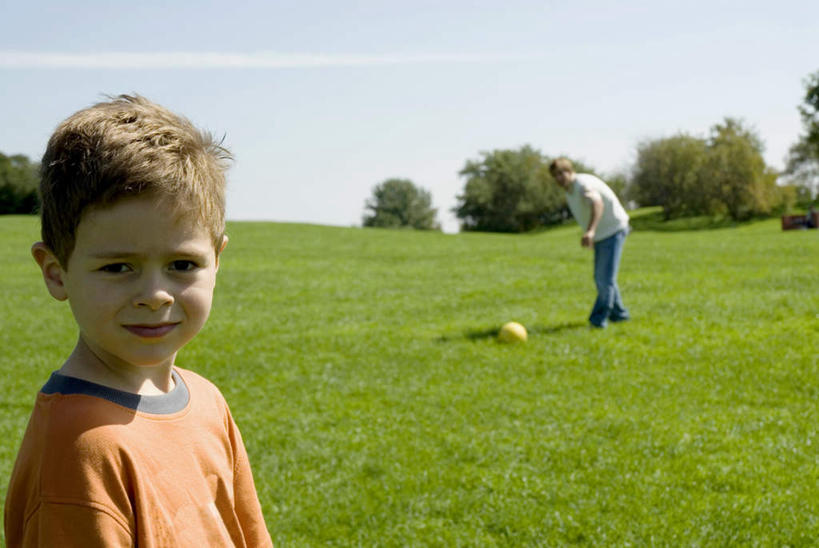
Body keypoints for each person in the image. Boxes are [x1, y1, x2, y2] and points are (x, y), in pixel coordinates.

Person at [4, 95, 274, 547]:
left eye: (182, 265)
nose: (154, 295)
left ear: (217, 260)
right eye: (118, 267)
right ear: (56, 272)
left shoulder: (207, 401)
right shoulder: (81, 449)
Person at [549, 158, 631, 328]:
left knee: (604, 278)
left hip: (613, 230)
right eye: (555, 175)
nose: (559, 178)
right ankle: (620, 315)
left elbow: (597, 203)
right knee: (604, 277)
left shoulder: (582, 184)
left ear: (570, 171)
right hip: (602, 234)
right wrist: (593, 234)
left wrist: (591, 231)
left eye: (561, 173)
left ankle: (597, 321)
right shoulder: (570, 190)